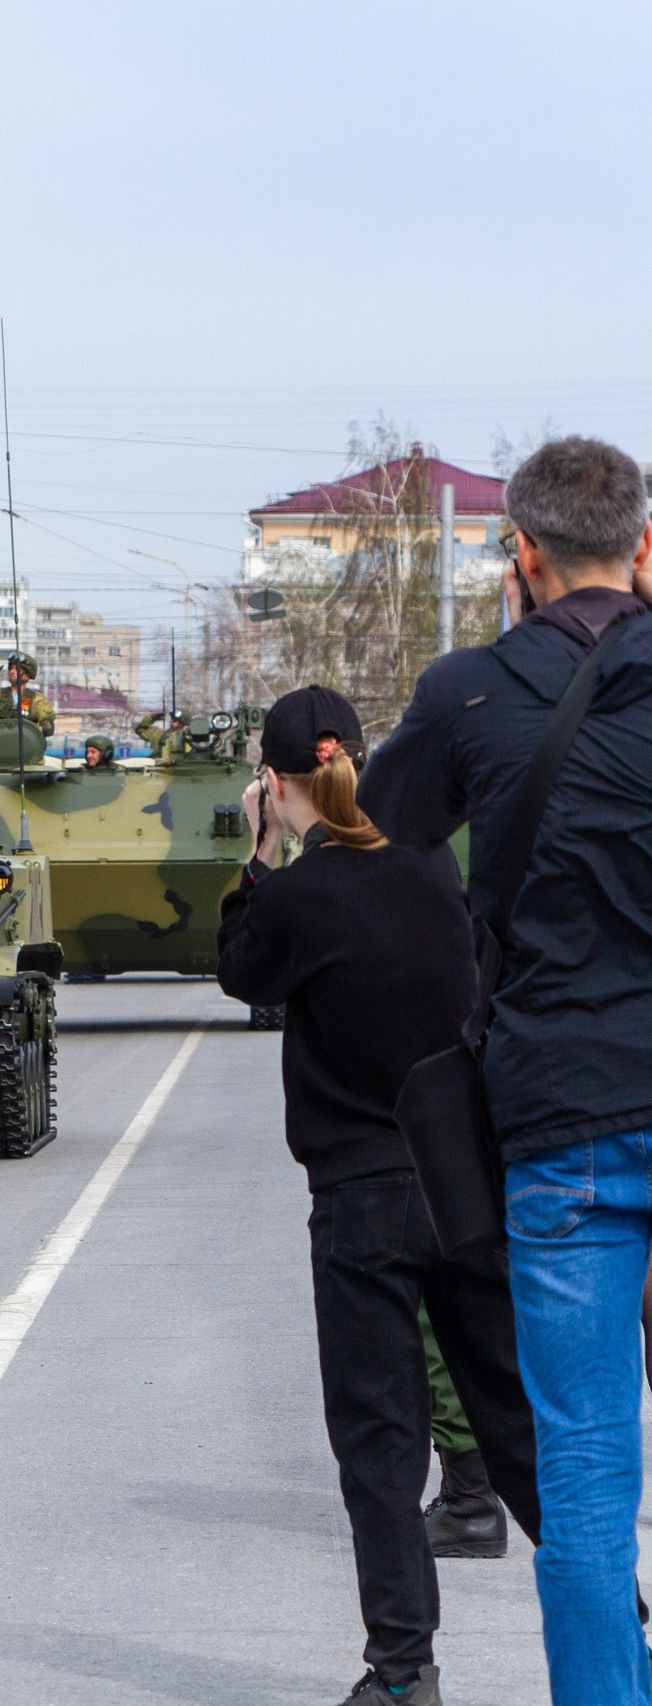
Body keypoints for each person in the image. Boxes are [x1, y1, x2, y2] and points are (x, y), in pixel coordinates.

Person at [357, 435, 652, 1704]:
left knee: (582, 1468)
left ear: (517, 552)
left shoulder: (468, 687)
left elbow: (391, 821)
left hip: (561, 1118)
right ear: (644, 544)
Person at [218, 684, 542, 1706]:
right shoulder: (431, 869)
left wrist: (260, 854)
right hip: (461, 1184)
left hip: (358, 1194)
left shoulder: (295, 896)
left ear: (275, 784)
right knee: (518, 1427)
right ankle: (620, 1622)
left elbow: (240, 971)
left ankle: (403, 1673)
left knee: (379, 1447)